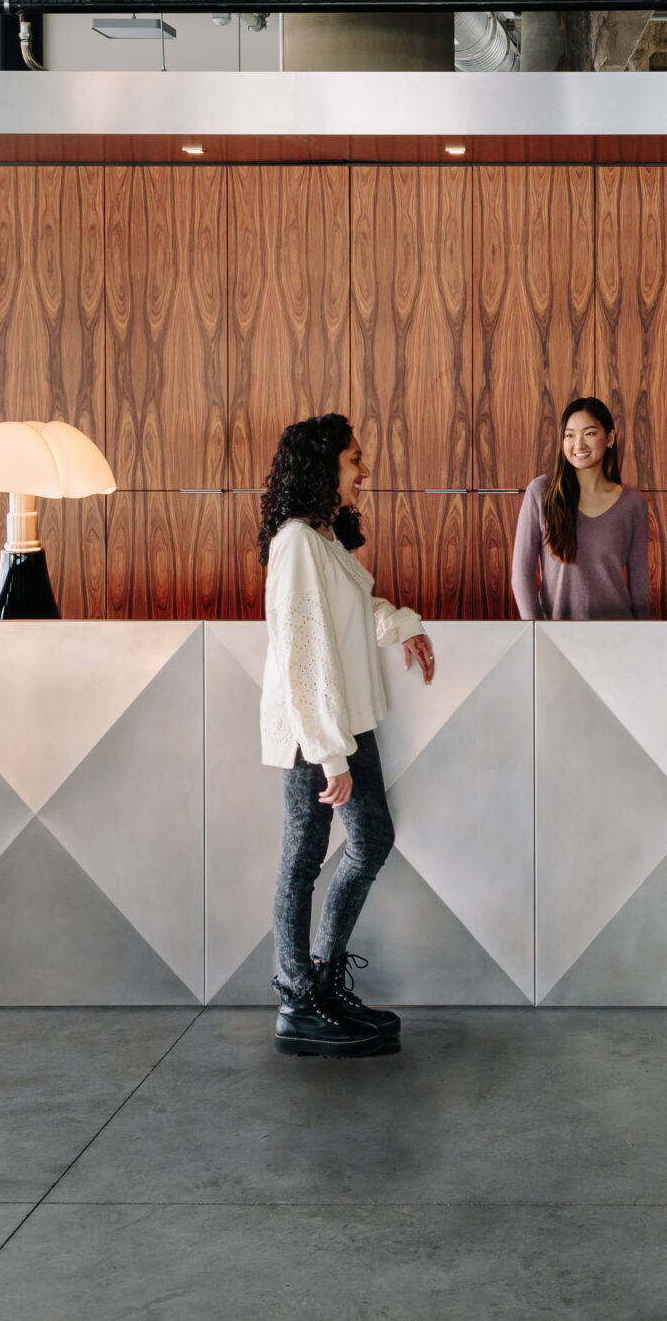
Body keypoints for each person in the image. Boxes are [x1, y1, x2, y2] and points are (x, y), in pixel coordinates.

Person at [258, 412, 435, 1060]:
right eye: (354, 458)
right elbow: (303, 654)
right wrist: (329, 751)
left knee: (370, 838)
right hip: (319, 730)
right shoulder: (297, 542)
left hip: (346, 721)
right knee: (304, 858)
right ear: (323, 464)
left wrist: (404, 623)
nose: (365, 469)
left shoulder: (327, 538)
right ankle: (297, 997)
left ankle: (323, 981)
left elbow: (354, 616)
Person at [511, 395, 652, 619]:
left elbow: (639, 585)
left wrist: (642, 639)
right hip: (555, 639)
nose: (578, 445)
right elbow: (521, 575)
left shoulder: (633, 503)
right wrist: (536, 633)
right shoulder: (541, 492)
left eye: (590, 433)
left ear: (610, 438)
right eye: (569, 435)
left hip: (618, 637)